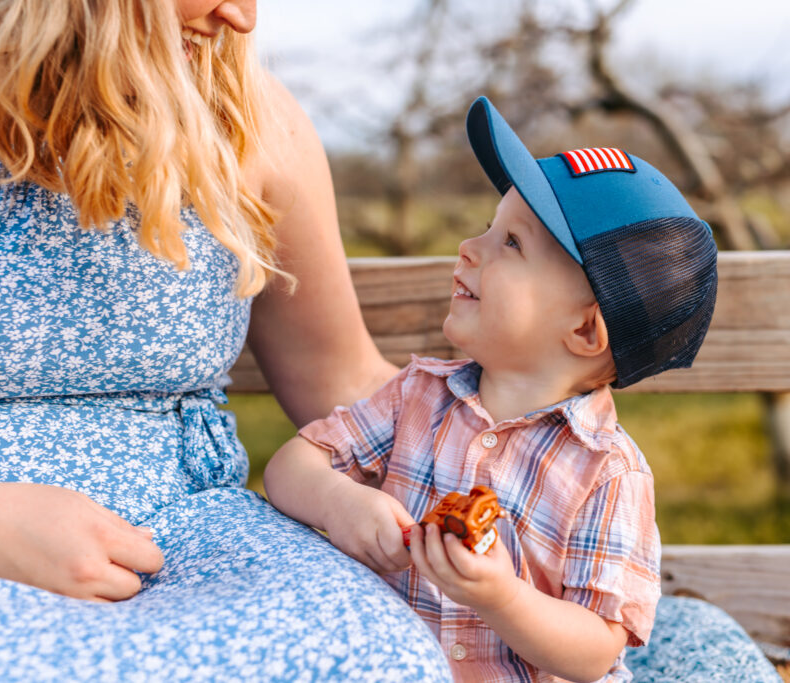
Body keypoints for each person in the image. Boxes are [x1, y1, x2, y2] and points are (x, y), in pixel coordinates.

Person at [0, 1, 453, 679]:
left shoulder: (248, 116)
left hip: (198, 543)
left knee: (380, 660)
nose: (239, 17)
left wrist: (524, 437)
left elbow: (341, 381)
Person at [262, 96, 744, 682]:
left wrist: (503, 598)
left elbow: (598, 648)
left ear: (585, 328)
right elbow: (291, 467)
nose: (469, 247)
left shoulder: (608, 474)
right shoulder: (417, 397)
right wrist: (340, 502)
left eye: (511, 243)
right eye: (489, 227)